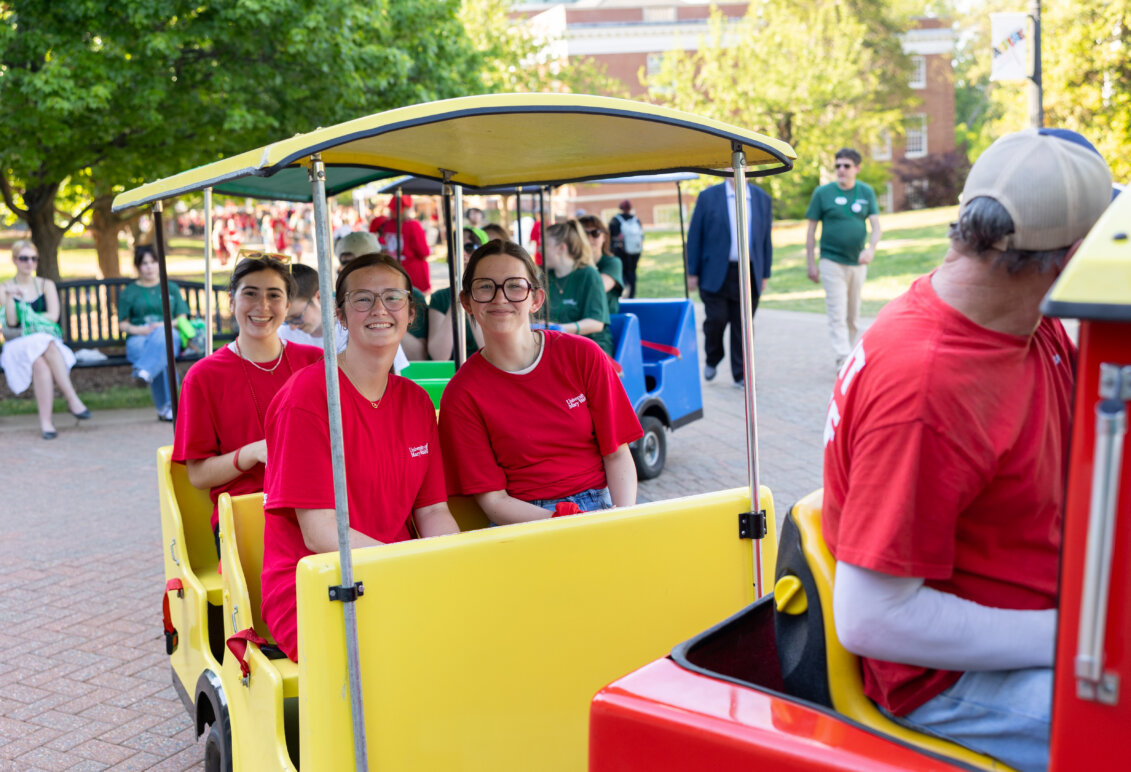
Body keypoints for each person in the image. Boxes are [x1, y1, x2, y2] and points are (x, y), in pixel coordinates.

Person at [822, 129, 1112, 772]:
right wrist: (1082, 637)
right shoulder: (929, 389)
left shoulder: (1023, 324)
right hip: (947, 680)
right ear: (1066, 263)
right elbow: (872, 619)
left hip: (1045, 613)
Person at [261, 253, 460, 661]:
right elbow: (319, 532)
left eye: (392, 297)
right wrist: (404, 569)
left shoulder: (417, 402)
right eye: (363, 299)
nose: (379, 310)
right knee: (404, 652)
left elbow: (433, 512)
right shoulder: (307, 397)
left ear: (410, 312)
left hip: (395, 571)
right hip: (321, 581)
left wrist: (456, 566)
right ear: (339, 314)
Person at [439, 239, 641, 525]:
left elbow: (617, 455)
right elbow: (493, 501)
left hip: (602, 507)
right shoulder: (461, 394)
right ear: (467, 302)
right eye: (485, 286)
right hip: (523, 519)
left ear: (536, 299)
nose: (500, 298)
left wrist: (623, 519)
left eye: (515, 286)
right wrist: (564, 522)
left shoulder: (583, 355)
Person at [173, 252, 322, 554]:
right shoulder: (203, 377)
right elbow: (198, 475)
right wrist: (251, 453)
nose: (262, 306)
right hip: (247, 514)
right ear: (231, 301)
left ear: (287, 304)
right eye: (250, 294)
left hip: (317, 505)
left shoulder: (315, 363)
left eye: (274, 295)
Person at [686, 176, 773, 387]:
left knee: (743, 326)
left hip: (749, 272)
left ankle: (741, 373)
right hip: (715, 273)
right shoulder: (708, 197)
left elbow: (765, 240)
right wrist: (692, 272)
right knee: (716, 320)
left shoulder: (762, 198)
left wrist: (765, 274)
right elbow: (694, 236)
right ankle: (712, 357)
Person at [0, 241, 90, 439]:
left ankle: (46, 423)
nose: (29, 263)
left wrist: (28, 314)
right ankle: (72, 398)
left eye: (33, 258)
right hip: (18, 344)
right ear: (15, 260)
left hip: (44, 344)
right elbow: (12, 322)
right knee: (45, 343)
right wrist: (10, 298)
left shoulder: (45, 285)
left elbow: (54, 315)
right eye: (24, 258)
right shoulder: (5, 288)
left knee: (41, 362)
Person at [805, 148, 882, 367]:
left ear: (857, 168)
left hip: (857, 263)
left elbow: (876, 226)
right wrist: (811, 263)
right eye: (838, 165)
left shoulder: (866, 192)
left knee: (852, 316)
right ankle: (843, 356)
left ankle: (847, 354)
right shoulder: (822, 193)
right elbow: (811, 231)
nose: (841, 169)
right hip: (831, 261)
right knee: (836, 311)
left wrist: (871, 249)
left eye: (846, 166)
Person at [279, 263, 410, 372]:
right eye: (286, 321)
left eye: (297, 317)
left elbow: (393, 382)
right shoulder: (281, 338)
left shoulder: (369, 327)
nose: (292, 326)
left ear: (319, 298)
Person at [118, 244, 190, 422]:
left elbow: (182, 319)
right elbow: (123, 324)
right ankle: (168, 407)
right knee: (162, 353)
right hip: (139, 338)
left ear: (159, 264)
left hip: (169, 334)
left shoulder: (170, 288)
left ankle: (144, 372)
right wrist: (139, 330)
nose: (149, 267)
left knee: (163, 339)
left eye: (153, 262)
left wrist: (161, 325)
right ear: (138, 266)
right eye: (144, 263)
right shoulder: (129, 292)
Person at [543, 220, 613, 355]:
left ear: (561, 248)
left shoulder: (588, 275)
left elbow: (596, 323)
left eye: (545, 245)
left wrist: (557, 329)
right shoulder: (544, 277)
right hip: (556, 347)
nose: (540, 249)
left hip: (590, 349)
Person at [427, 227, 487, 361]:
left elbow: (490, 350)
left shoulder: (497, 295)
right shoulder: (440, 298)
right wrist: (458, 298)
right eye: (457, 249)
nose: (463, 255)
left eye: (470, 247)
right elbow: (439, 356)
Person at [369, 195, 431, 293]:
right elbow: (423, 252)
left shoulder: (388, 224)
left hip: (393, 270)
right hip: (413, 272)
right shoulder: (413, 225)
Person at [579, 214, 625, 315]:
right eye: (584, 234)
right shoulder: (571, 265)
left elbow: (596, 289)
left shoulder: (612, 263)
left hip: (602, 322)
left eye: (595, 233)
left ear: (604, 236)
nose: (589, 238)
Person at [608, 200, 644, 298]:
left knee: (621, 273)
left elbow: (610, 237)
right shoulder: (636, 220)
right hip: (635, 252)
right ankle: (632, 295)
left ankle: (624, 293)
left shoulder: (615, 220)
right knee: (632, 272)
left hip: (620, 252)